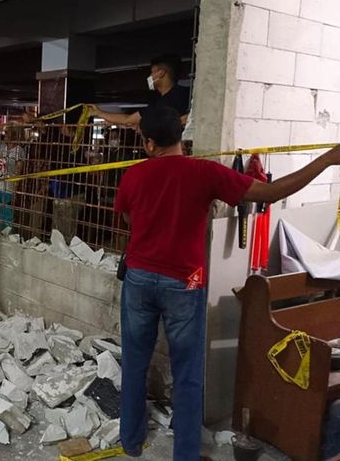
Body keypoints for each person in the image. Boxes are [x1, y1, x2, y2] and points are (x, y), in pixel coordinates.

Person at [114, 105, 340, 460]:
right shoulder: (205, 173)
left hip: (139, 279)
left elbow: (129, 218)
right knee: (188, 377)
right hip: (184, 285)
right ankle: (185, 455)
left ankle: (130, 442)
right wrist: (326, 160)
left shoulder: (133, 175)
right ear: (181, 141)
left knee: (135, 363)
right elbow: (272, 192)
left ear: (148, 144)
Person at [88, 54, 190, 129]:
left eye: (152, 73)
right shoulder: (186, 94)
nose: (150, 77)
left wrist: (99, 112)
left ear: (161, 73)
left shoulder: (162, 103)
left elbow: (128, 120)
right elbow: (130, 121)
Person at [0, 123, 26, 231]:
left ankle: (9, 234)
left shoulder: (18, 151)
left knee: (7, 213)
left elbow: (18, 171)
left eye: (7, 134)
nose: (4, 136)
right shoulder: (2, 146)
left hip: (8, 187)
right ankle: (2, 232)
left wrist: (15, 188)